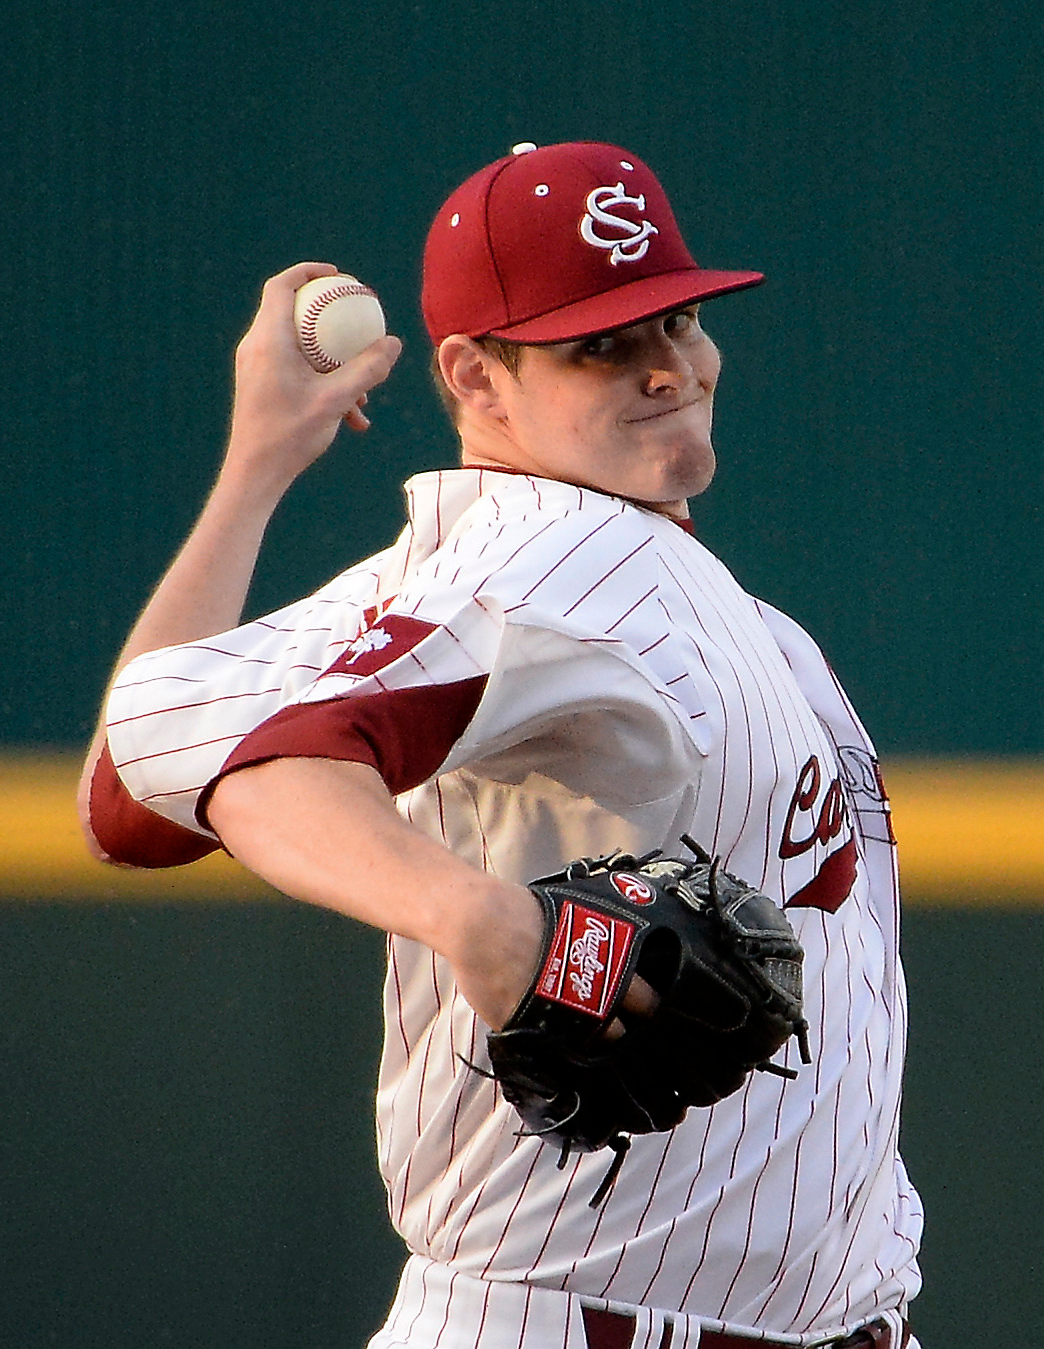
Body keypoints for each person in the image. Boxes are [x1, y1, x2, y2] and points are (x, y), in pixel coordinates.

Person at [78, 141, 922, 1348]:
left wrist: (255, 473)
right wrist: (490, 924)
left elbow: (130, 793)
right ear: (475, 374)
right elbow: (227, 764)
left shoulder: (517, 569)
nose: (666, 369)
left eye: (676, 322)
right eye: (602, 345)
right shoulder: (549, 561)